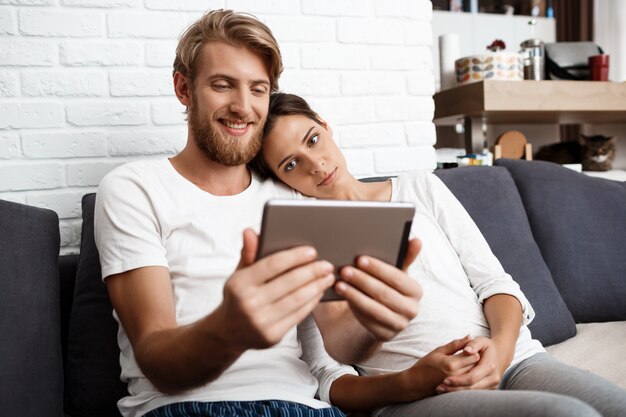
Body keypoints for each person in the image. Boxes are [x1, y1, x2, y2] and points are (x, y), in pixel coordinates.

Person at [94, 10, 423, 417]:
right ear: (183, 88)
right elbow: (156, 357)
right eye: (222, 85)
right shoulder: (134, 187)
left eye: (258, 89)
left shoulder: (291, 196)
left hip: (305, 408)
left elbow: (339, 341)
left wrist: (374, 322)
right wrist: (229, 330)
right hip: (188, 408)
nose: (243, 107)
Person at [251, 92, 626, 417]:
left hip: (515, 361)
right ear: (282, 180)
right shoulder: (305, 238)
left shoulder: (419, 186)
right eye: (291, 164)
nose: (314, 164)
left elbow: (495, 283)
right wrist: (411, 382)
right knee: (567, 414)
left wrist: (500, 350)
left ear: (326, 126)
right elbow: (329, 376)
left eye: (312, 140)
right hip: (417, 397)